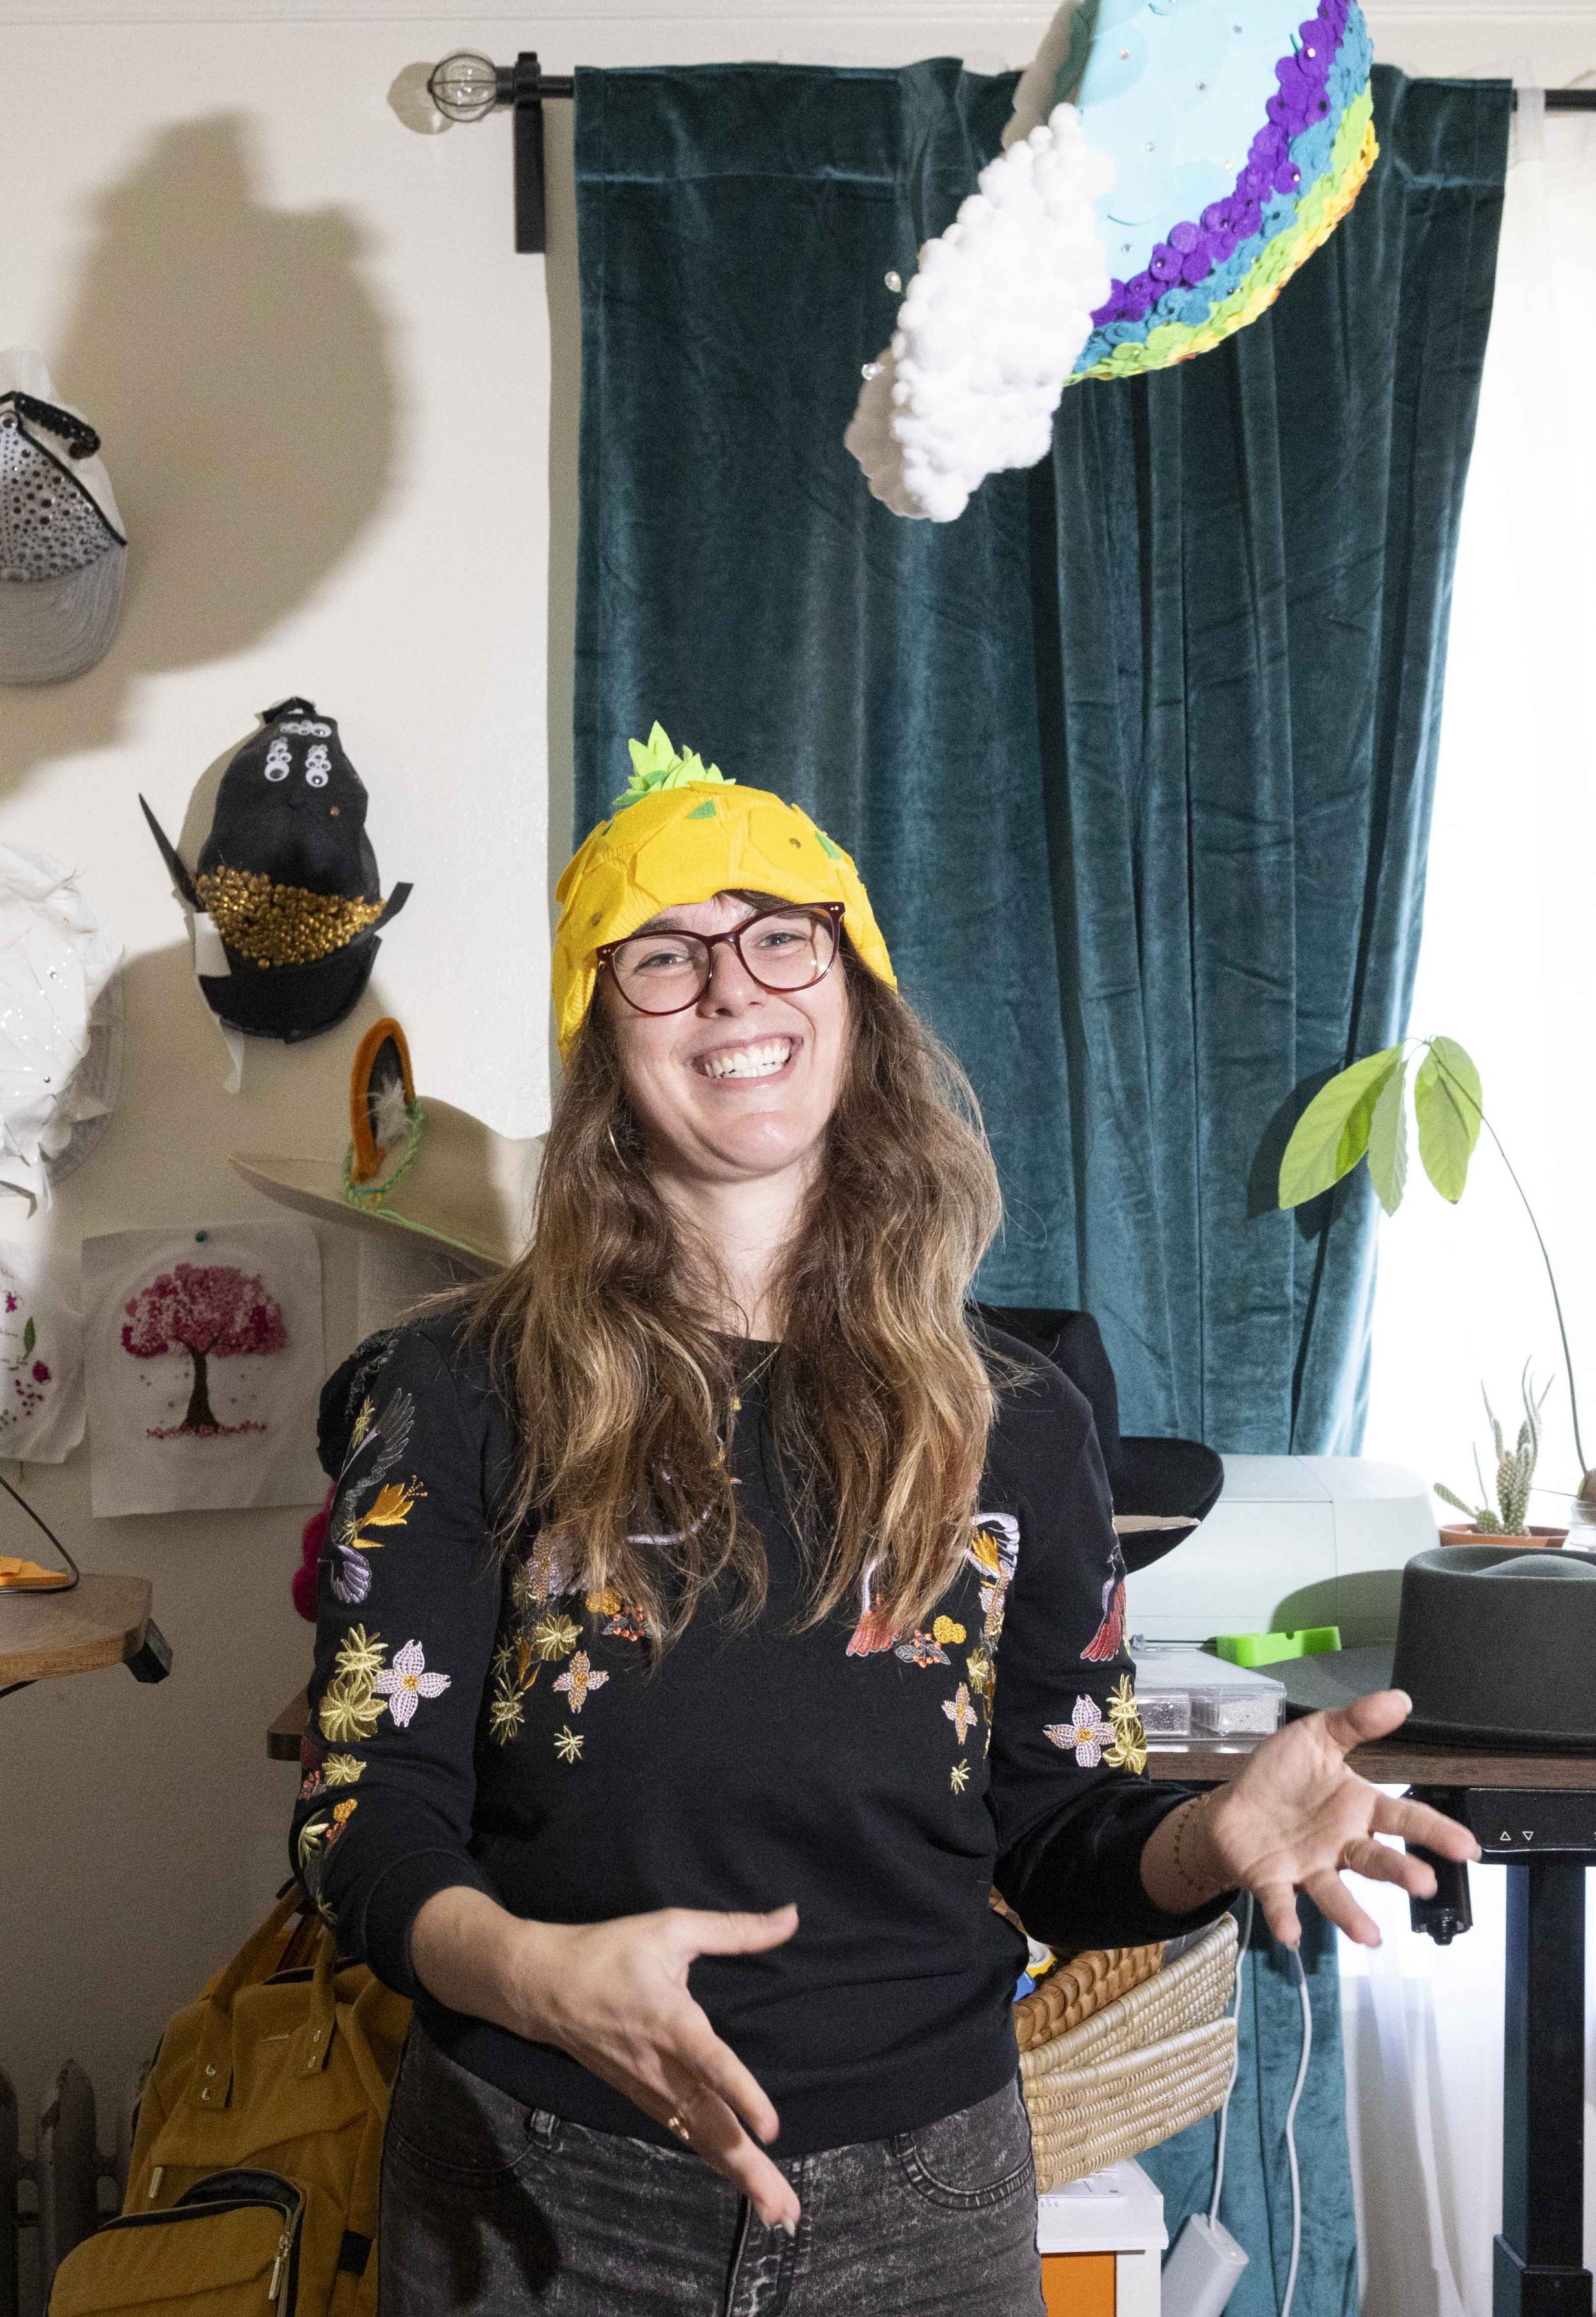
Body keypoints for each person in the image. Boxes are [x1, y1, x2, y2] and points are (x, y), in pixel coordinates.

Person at [289, 730, 1478, 2316]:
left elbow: (1054, 1839)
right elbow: (363, 1820)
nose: (731, 987)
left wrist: (1207, 1841)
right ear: (598, 1034)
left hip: (930, 2207)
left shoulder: (1020, 1423)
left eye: (781, 937)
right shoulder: (451, 1392)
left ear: (855, 1001)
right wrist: (534, 1977)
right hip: (543, 2187)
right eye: (664, 955)